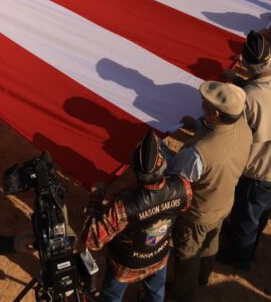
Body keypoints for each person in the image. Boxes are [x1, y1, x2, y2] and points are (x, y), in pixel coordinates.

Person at [220, 32, 271, 269]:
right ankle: (249, 242)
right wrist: (238, 82)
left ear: (245, 64)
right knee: (262, 212)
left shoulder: (248, 97)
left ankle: (240, 257)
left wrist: (234, 88)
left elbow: (235, 131)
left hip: (261, 174)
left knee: (246, 218)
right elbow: (266, 93)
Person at [83, 130, 191, 302]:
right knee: (156, 292)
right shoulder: (182, 187)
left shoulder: (123, 204)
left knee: (112, 295)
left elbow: (92, 239)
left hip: (126, 264)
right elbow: (184, 207)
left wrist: (95, 200)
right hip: (159, 256)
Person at [167, 82, 251, 301]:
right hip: (223, 203)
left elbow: (178, 179)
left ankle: (184, 293)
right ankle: (203, 277)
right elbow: (220, 136)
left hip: (196, 212)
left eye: (206, 102)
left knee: (187, 254)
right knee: (210, 242)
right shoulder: (242, 126)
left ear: (214, 113)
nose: (202, 103)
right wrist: (197, 126)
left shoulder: (197, 154)